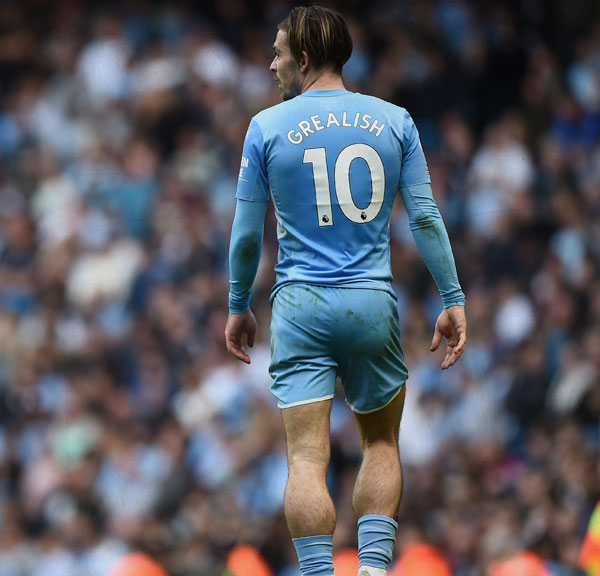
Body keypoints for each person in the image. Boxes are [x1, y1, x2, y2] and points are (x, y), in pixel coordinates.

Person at [224, 6, 467, 576]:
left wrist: (237, 305)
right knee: (380, 445)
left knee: (307, 456)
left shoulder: (266, 127)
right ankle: (374, 569)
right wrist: (452, 297)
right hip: (370, 302)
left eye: (279, 54)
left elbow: (246, 234)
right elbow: (424, 217)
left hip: (300, 305)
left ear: (305, 58)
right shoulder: (395, 121)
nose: (272, 65)